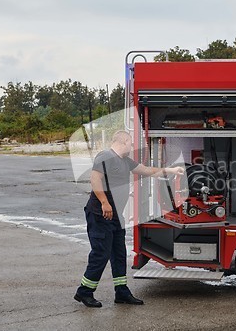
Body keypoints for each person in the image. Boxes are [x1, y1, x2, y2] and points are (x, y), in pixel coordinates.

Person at [74, 130, 184, 307]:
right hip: (100, 214)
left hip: (116, 215)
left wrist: (170, 170)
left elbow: (147, 170)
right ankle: (84, 292)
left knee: (119, 253)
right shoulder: (105, 156)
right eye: (131, 143)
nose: (132, 146)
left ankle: (122, 292)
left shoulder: (125, 161)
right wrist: (104, 202)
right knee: (100, 253)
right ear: (123, 141)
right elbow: (95, 179)